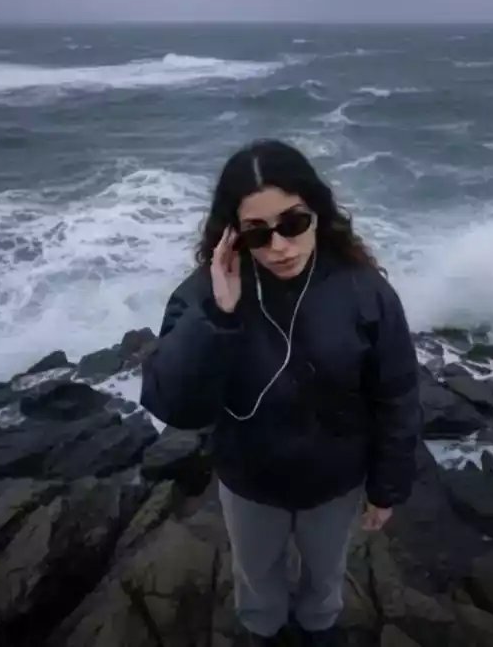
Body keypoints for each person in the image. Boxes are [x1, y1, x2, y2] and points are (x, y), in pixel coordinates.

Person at [141, 139, 421, 646]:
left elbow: (397, 393)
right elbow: (173, 403)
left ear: (316, 211)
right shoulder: (206, 293)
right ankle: (262, 632)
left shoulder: (365, 290)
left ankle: (317, 631)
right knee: (257, 584)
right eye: (257, 234)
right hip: (250, 484)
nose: (279, 247)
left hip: (334, 484)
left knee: (324, 581)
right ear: (233, 235)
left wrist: (387, 486)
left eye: (293, 224)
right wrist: (218, 316)